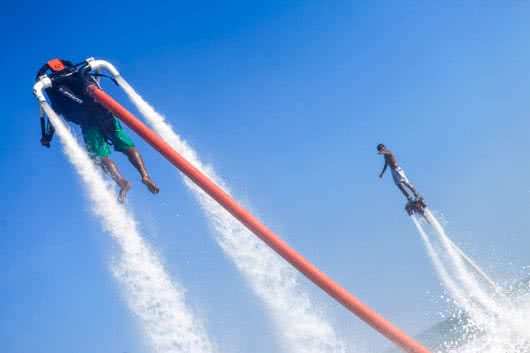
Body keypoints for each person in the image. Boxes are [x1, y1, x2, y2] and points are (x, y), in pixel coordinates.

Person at [37, 58, 159, 203]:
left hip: (88, 124)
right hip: (105, 114)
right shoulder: (80, 74)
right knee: (128, 147)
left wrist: (47, 137)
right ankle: (145, 175)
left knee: (101, 158)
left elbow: (53, 118)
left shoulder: (54, 89)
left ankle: (122, 182)